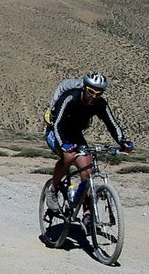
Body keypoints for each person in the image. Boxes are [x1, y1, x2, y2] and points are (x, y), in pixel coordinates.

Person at [44, 72, 134, 224]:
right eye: (90, 91)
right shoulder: (70, 98)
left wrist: (122, 141)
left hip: (75, 134)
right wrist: (64, 144)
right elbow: (58, 124)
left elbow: (112, 124)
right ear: (84, 88)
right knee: (69, 156)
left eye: (98, 93)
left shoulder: (100, 104)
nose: (94, 96)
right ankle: (53, 188)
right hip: (56, 132)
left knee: (88, 170)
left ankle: (86, 212)